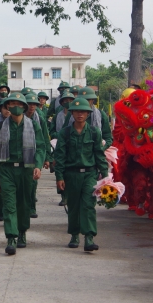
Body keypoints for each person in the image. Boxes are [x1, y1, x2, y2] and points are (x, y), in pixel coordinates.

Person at [0, 92, 45, 255]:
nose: (15, 107)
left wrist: (38, 165)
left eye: (19, 104)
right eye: (12, 104)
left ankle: (22, 232)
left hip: (26, 169)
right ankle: (11, 238)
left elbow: (41, 147)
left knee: (23, 204)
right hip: (6, 169)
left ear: (24, 107)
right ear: (7, 107)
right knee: (9, 204)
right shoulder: (0, 126)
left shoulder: (33, 125)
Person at [54, 97, 108, 252]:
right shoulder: (65, 133)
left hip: (89, 174)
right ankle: (74, 235)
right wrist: (59, 177)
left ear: (88, 114)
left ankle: (89, 237)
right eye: (76, 111)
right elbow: (60, 156)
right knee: (74, 206)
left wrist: (105, 177)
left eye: (83, 111)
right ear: (71, 113)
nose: (80, 114)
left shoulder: (93, 132)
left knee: (88, 205)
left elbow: (99, 155)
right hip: (71, 174)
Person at [25, 93, 52, 218]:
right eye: (29, 104)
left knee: (33, 182)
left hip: (35, 153)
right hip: (22, 153)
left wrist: (47, 158)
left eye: (34, 104)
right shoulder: (19, 117)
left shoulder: (39, 118)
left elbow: (44, 138)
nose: (31, 107)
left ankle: (31, 207)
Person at [62, 87, 113, 151]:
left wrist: (101, 149)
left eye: (87, 100)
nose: (85, 102)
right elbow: (63, 133)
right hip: (73, 149)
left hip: (96, 149)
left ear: (92, 100)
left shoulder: (101, 115)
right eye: (83, 99)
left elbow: (108, 138)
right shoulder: (71, 114)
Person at [49, 91, 75, 206]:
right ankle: (63, 196)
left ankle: (71, 196)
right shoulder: (57, 116)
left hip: (73, 145)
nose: (68, 102)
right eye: (65, 100)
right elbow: (52, 130)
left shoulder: (76, 114)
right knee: (60, 171)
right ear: (62, 102)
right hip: (59, 143)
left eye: (70, 100)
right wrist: (58, 136)